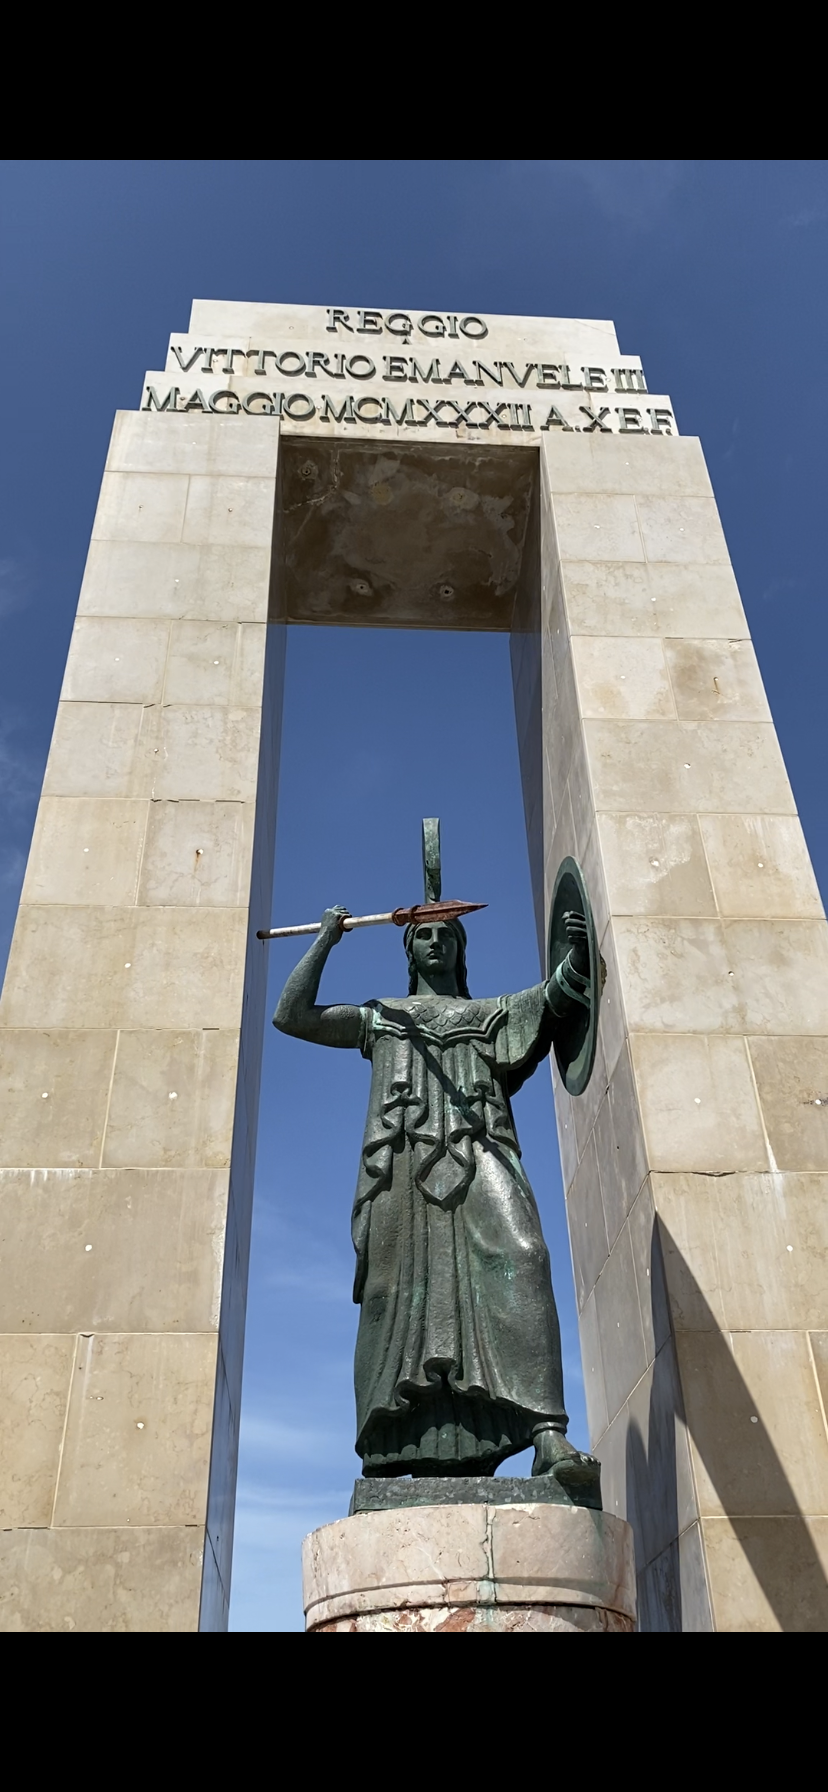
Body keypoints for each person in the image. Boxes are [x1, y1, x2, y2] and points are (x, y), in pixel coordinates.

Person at [274, 903, 598, 1494]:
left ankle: (548, 1433)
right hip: (401, 1164)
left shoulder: (490, 1014)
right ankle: (390, 1441)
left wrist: (576, 953)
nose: (433, 942)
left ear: (460, 949)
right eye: (421, 934)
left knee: (523, 1257)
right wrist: (325, 940)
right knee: (392, 1292)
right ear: (408, 950)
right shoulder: (383, 1017)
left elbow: (555, 997)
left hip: (481, 1148)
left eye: (445, 933)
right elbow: (292, 1015)